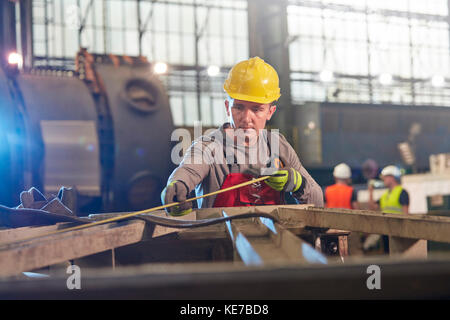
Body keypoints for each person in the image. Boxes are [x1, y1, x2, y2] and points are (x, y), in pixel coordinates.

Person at [161, 57, 323, 216]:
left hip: (274, 241)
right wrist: (177, 185)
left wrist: (299, 184)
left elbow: (317, 203)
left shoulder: (278, 146)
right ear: (227, 107)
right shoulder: (208, 146)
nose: (246, 118)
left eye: (257, 109)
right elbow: (188, 170)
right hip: (220, 240)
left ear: (270, 112)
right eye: (238, 107)